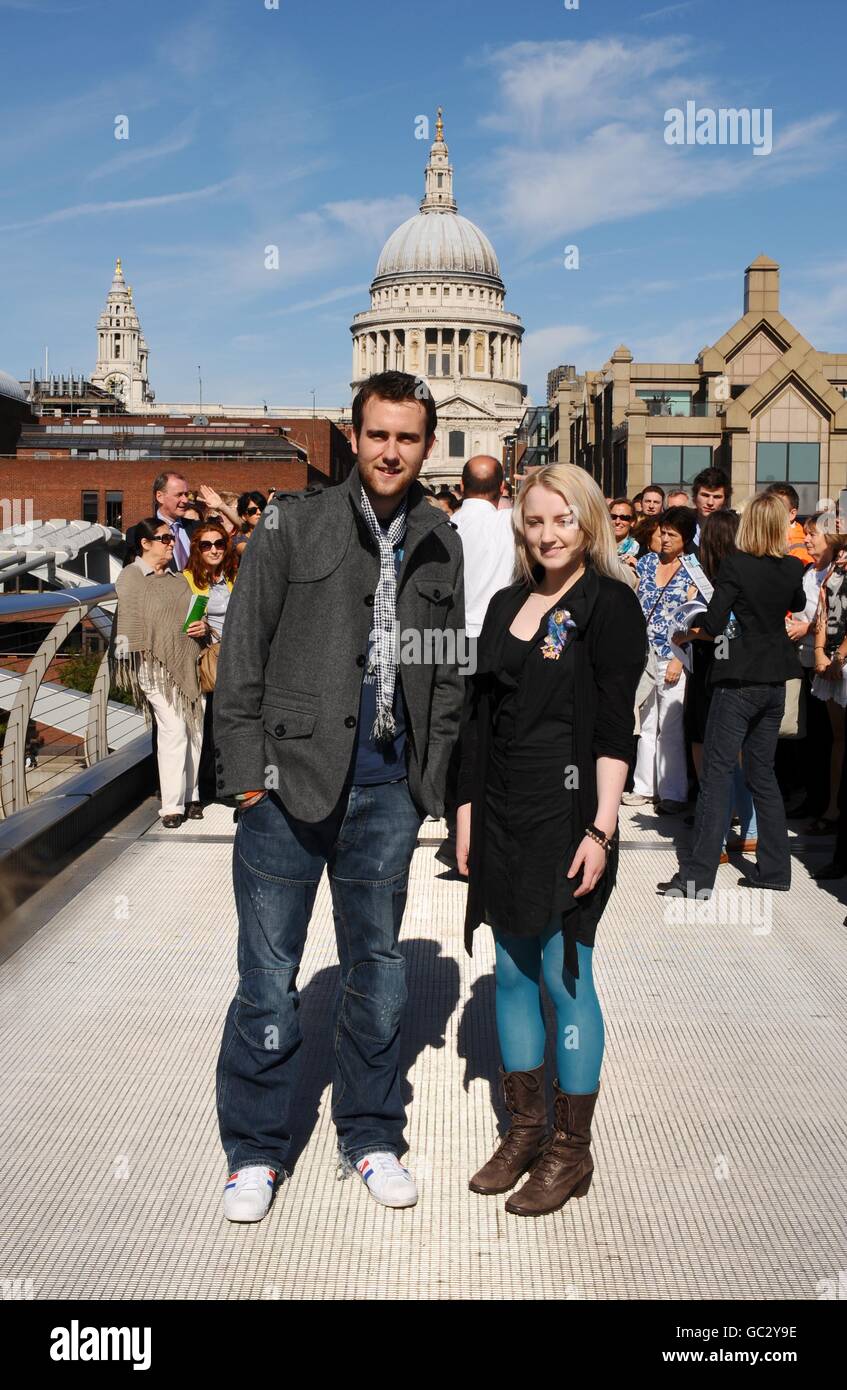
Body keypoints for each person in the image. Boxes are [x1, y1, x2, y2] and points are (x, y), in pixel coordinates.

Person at [213, 370, 466, 1222]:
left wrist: (435, 781)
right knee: (269, 978)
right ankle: (255, 1150)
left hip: (387, 791)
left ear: (426, 445)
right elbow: (241, 652)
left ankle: (369, 1134)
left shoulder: (439, 536)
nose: (392, 450)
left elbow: (443, 670)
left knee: (378, 976)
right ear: (353, 437)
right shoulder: (294, 520)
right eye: (378, 434)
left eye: (407, 436)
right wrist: (245, 778)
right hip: (285, 790)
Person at [454, 463, 645, 1217]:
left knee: (566, 976)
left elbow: (610, 728)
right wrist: (465, 810)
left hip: (568, 816)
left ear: (587, 522)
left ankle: (571, 1148)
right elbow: (478, 720)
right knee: (509, 971)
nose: (548, 533)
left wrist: (601, 826)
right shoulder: (506, 603)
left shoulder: (609, 606)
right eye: (535, 521)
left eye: (562, 519)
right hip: (501, 809)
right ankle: (525, 1130)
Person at [658, 492, 805, 898]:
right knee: (763, 775)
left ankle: (696, 876)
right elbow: (798, 601)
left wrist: (692, 621)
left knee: (717, 775)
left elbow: (716, 620)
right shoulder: (792, 567)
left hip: (738, 680)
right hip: (776, 682)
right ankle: (776, 869)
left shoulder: (737, 566)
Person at [113, 519, 207, 827]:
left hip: (188, 662)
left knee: (195, 729)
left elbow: (188, 615)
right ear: (145, 543)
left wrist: (201, 625)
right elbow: (132, 616)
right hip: (153, 666)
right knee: (174, 730)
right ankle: (171, 806)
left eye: (170, 538)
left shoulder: (177, 579)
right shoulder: (131, 576)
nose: (170, 543)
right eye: (164, 538)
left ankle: (192, 797)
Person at [679, 510, 757, 858]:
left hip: (720, 670)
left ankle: (721, 834)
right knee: (728, 753)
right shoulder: (750, 569)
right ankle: (748, 828)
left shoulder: (730, 575)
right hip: (717, 669)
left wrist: (689, 633)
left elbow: (721, 628)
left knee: (719, 754)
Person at [625, 507, 704, 813]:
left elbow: (694, 616)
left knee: (670, 724)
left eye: (673, 534)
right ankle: (644, 787)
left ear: (686, 538)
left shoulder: (694, 569)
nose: (666, 539)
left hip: (674, 654)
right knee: (645, 722)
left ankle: (672, 792)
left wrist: (678, 658)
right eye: (664, 532)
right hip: (643, 653)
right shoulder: (646, 563)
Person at [184, 521, 239, 808]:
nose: (214, 549)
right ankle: (208, 786)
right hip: (209, 659)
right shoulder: (189, 579)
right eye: (207, 545)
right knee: (210, 722)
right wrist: (198, 625)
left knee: (231, 721)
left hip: (238, 657)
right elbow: (182, 620)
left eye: (219, 543)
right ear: (197, 549)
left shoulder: (231, 576)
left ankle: (229, 782)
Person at [451, 456, 516, 640]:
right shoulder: (510, 523)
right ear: (502, 487)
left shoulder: (444, 527)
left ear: (461, 485)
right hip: (498, 634)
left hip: (452, 637)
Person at [808, 538, 847, 832]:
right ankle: (833, 806)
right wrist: (820, 652)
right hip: (830, 656)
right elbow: (822, 608)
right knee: (838, 737)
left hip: (843, 658)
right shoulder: (834, 566)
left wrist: (840, 656)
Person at [124, 472, 200, 572]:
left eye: (186, 494)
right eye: (179, 495)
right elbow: (133, 574)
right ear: (160, 497)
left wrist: (221, 507)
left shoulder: (197, 528)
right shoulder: (138, 533)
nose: (185, 500)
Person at [766, 483, 812, 566]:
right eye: (767, 507)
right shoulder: (767, 536)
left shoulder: (800, 549)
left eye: (777, 508)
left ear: (792, 514)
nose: (769, 512)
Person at [691, 466, 730, 546]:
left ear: (725, 500)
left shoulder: (734, 530)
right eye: (705, 495)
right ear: (695, 497)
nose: (710, 502)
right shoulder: (683, 526)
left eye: (717, 497)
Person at [609, 496, 638, 563]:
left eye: (624, 517)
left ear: (633, 522)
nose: (617, 522)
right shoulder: (597, 546)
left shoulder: (637, 550)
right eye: (613, 517)